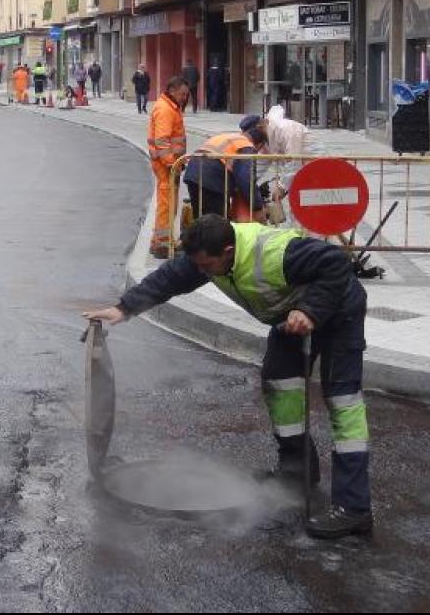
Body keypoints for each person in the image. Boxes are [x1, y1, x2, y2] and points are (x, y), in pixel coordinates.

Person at [84, 214, 374, 540]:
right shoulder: (208, 257)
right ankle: (298, 472)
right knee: (280, 385)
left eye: (208, 266)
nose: (203, 272)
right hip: (289, 318)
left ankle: (354, 508)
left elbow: (336, 263)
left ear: (228, 250)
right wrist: (124, 308)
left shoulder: (279, 253)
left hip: (338, 313)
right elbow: (170, 278)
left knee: (343, 402)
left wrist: (310, 311)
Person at [182, 117, 268, 224]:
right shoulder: (247, 146)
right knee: (217, 224)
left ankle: (196, 238)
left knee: (201, 220)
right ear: (259, 144)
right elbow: (246, 181)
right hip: (211, 179)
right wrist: (258, 207)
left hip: (193, 173)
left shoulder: (230, 137)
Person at [147, 76, 188, 258]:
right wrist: (173, 163)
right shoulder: (165, 109)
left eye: (186, 95)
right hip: (167, 166)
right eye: (182, 94)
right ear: (172, 91)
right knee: (166, 204)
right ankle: (161, 245)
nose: (184, 98)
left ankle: (163, 241)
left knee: (168, 203)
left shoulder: (170, 107)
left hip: (169, 165)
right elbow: (162, 142)